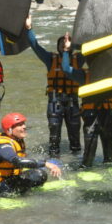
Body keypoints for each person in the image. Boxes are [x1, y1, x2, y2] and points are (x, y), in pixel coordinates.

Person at [25, 17, 81, 159]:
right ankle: (54, 160)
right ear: (57, 46)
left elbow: (91, 48)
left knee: (75, 134)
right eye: (61, 43)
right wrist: (29, 28)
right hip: (55, 102)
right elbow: (35, 45)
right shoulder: (50, 59)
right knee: (54, 133)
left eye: (66, 43)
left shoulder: (78, 59)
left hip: (72, 101)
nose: (64, 45)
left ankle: (77, 158)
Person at [59, 49, 112, 168]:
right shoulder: (83, 75)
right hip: (91, 117)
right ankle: (85, 172)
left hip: (107, 115)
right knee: (89, 155)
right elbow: (65, 69)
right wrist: (65, 51)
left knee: (110, 157)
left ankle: (111, 177)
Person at [0, 112, 63, 194]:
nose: (24, 126)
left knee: (40, 174)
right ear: (9, 130)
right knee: (36, 176)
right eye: (19, 125)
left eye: (23, 123)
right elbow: (18, 161)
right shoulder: (2, 146)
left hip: (10, 179)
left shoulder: (17, 140)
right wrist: (46, 164)